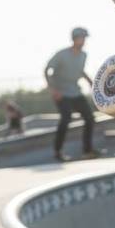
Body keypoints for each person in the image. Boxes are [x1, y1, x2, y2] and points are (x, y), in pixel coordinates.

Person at [45, 27, 99, 161]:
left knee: (89, 118)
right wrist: (52, 89)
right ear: (75, 39)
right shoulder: (62, 54)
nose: (84, 41)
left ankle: (87, 150)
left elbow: (80, 70)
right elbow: (47, 70)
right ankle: (58, 151)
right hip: (61, 93)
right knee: (66, 118)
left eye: (85, 39)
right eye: (82, 38)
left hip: (75, 91)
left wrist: (91, 82)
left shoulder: (83, 55)